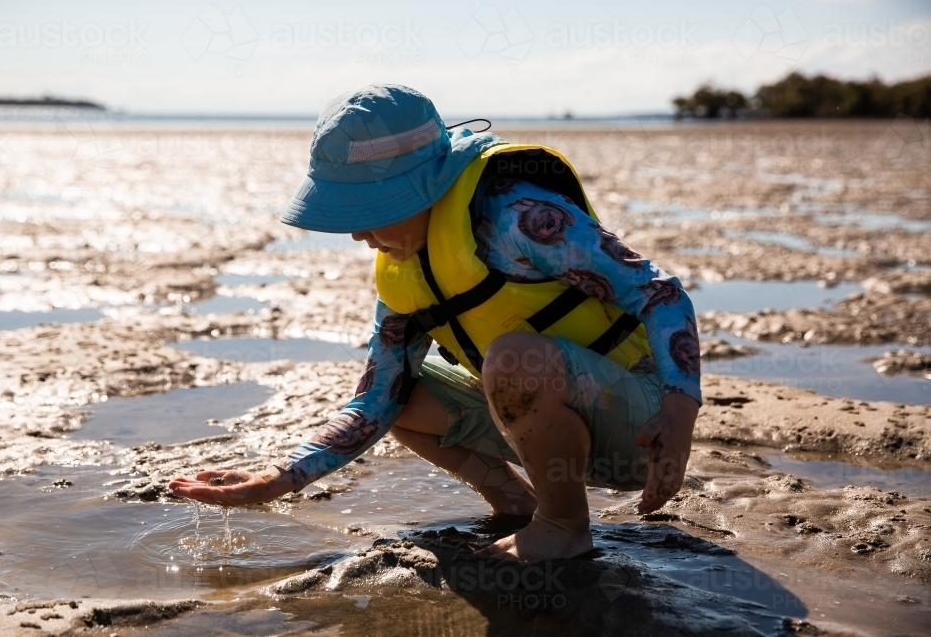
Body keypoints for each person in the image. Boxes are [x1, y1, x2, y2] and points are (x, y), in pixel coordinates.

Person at [170, 84, 701, 563]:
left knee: (514, 357)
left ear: (425, 186)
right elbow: (375, 400)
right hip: (549, 427)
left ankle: (563, 525)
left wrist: (679, 412)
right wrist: (281, 477)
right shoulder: (406, 272)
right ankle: (517, 502)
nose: (357, 234)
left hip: (643, 426)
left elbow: (660, 293)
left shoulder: (519, 218)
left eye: (367, 210)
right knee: (405, 398)